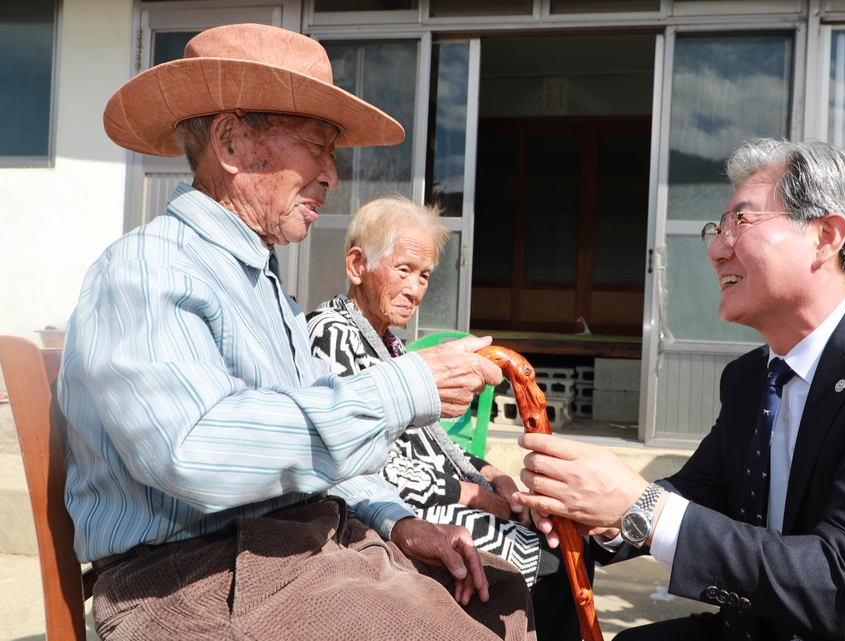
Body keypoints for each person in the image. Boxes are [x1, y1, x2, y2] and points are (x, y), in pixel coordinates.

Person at [58, 23, 536, 641]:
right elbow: (196, 451)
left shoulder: (263, 285)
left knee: (503, 592)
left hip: (287, 549)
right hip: (193, 578)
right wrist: (405, 385)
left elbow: (317, 447)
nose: (333, 176)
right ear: (232, 143)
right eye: (319, 146)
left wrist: (397, 521)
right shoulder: (150, 269)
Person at [512, 138, 845, 640]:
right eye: (717, 227)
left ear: (827, 236)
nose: (715, 249)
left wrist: (640, 509)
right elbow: (698, 495)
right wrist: (579, 507)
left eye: (741, 221)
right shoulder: (751, 378)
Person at [306, 195, 592, 641]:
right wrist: (476, 495)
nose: (415, 289)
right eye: (403, 270)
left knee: (570, 539)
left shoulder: (389, 342)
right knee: (552, 561)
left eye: (423, 276)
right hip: (392, 512)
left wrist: (492, 473)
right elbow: (365, 463)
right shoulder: (330, 334)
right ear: (357, 265)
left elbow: (435, 441)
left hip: (442, 495)